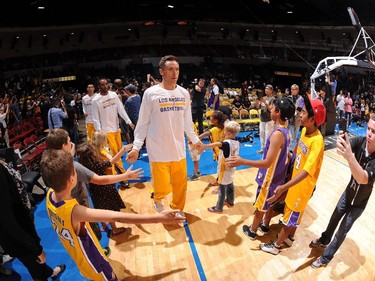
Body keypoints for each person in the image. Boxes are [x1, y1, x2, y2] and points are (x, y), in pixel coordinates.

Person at [42, 149, 185, 281]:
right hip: (95, 263)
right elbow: (117, 216)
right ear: (72, 179)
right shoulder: (74, 211)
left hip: (80, 260)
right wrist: (159, 218)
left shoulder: (50, 197)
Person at [126, 55, 202, 215]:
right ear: (161, 71)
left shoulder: (184, 93)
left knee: (181, 184)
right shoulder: (151, 93)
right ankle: (158, 199)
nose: (175, 73)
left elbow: (187, 121)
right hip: (158, 149)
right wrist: (136, 147)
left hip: (178, 149)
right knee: (162, 186)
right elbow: (143, 122)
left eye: (177, 69)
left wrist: (195, 140)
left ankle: (178, 208)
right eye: (170, 69)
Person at [259, 96, 326, 255]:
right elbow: (297, 150)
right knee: (293, 212)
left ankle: (276, 246)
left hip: (302, 186)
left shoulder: (317, 141)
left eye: (303, 113)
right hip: (294, 182)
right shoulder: (304, 130)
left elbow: (306, 172)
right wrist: (289, 159)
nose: (300, 115)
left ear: (312, 119)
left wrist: (284, 186)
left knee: (291, 216)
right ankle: (289, 238)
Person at [45, 128, 138, 240]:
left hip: (69, 207)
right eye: (69, 142)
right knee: (92, 229)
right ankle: (102, 241)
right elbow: (100, 179)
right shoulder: (74, 166)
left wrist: (72, 149)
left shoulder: (49, 162)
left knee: (91, 219)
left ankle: (103, 228)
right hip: (81, 204)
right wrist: (125, 176)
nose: (72, 143)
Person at [310, 113, 375, 268]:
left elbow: (362, 178)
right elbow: (341, 150)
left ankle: (325, 258)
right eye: (369, 129)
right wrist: (341, 142)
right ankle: (325, 239)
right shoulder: (360, 141)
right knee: (334, 217)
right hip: (348, 193)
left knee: (342, 231)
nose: (370, 134)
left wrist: (350, 157)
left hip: (359, 203)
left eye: (374, 131)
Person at [227, 97, 295, 238]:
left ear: (278, 112)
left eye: (273, 107)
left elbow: (267, 163)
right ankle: (265, 225)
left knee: (261, 205)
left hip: (269, 177)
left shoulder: (277, 134)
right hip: (278, 176)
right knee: (270, 202)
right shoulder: (286, 131)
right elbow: (287, 156)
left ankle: (252, 231)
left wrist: (242, 161)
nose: (270, 109)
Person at [0, 159, 65, 280]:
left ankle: (49, 272)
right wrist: (36, 249)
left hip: (21, 225)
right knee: (35, 265)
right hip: (19, 236)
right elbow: (9, 222)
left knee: (36, 264)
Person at [76, 142, 132, 236]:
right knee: (109, 209)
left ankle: (103, 224)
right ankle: (114, 229)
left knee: (100, 207)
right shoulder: (96, 165)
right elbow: (112, 161)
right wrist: (123, 150)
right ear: (92, 155)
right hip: (105, 189)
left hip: (94, 192)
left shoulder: (83, 167)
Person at [92, 78, 135, 174]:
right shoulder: (95, 100)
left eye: (106, 84)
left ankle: (115, 173)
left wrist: (129, 121)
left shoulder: (114, 95)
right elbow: (95, 118)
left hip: (116, 129)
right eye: (102, 85)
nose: (105, 86)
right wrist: (99, 132)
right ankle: (123, 175)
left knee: (119, 152)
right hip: (106, 131)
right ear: (98, 87)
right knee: (116, 153)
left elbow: (120, 109)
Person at [199, 121, 241, 213]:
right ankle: (230, 202)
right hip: (232, 167)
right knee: (230, 185)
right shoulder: (237, 142)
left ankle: (218, 208)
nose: (224, 133)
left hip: (224, 169)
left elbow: (218, 144)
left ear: (229, 133)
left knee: (222, 189)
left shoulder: (226, 143)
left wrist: (205, 146)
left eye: (225, 131)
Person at [257, 84, 275, 154]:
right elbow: (258, 107)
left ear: (271, 90)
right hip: (262, 118)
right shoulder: (263, 97)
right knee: (261, 134)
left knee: (268, 135)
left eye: (268, 89)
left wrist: (265, 103)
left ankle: (267, 149)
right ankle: (262, 148)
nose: (266, 90)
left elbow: (271, 109)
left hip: (269, 119)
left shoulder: (273, 99)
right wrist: (257, 102)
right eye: (265, 88)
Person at [288, 84, 303, 150]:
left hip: (297, 119)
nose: (292, 91)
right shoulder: (289, 98)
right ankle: (290, 151)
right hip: (290, 119)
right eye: (291, 89)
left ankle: (293, 151)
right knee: (290, 137)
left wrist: (293, 106)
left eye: (294, 89)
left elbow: (300, 109)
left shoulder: (301, 98)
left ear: (297, 90)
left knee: (295, 137)